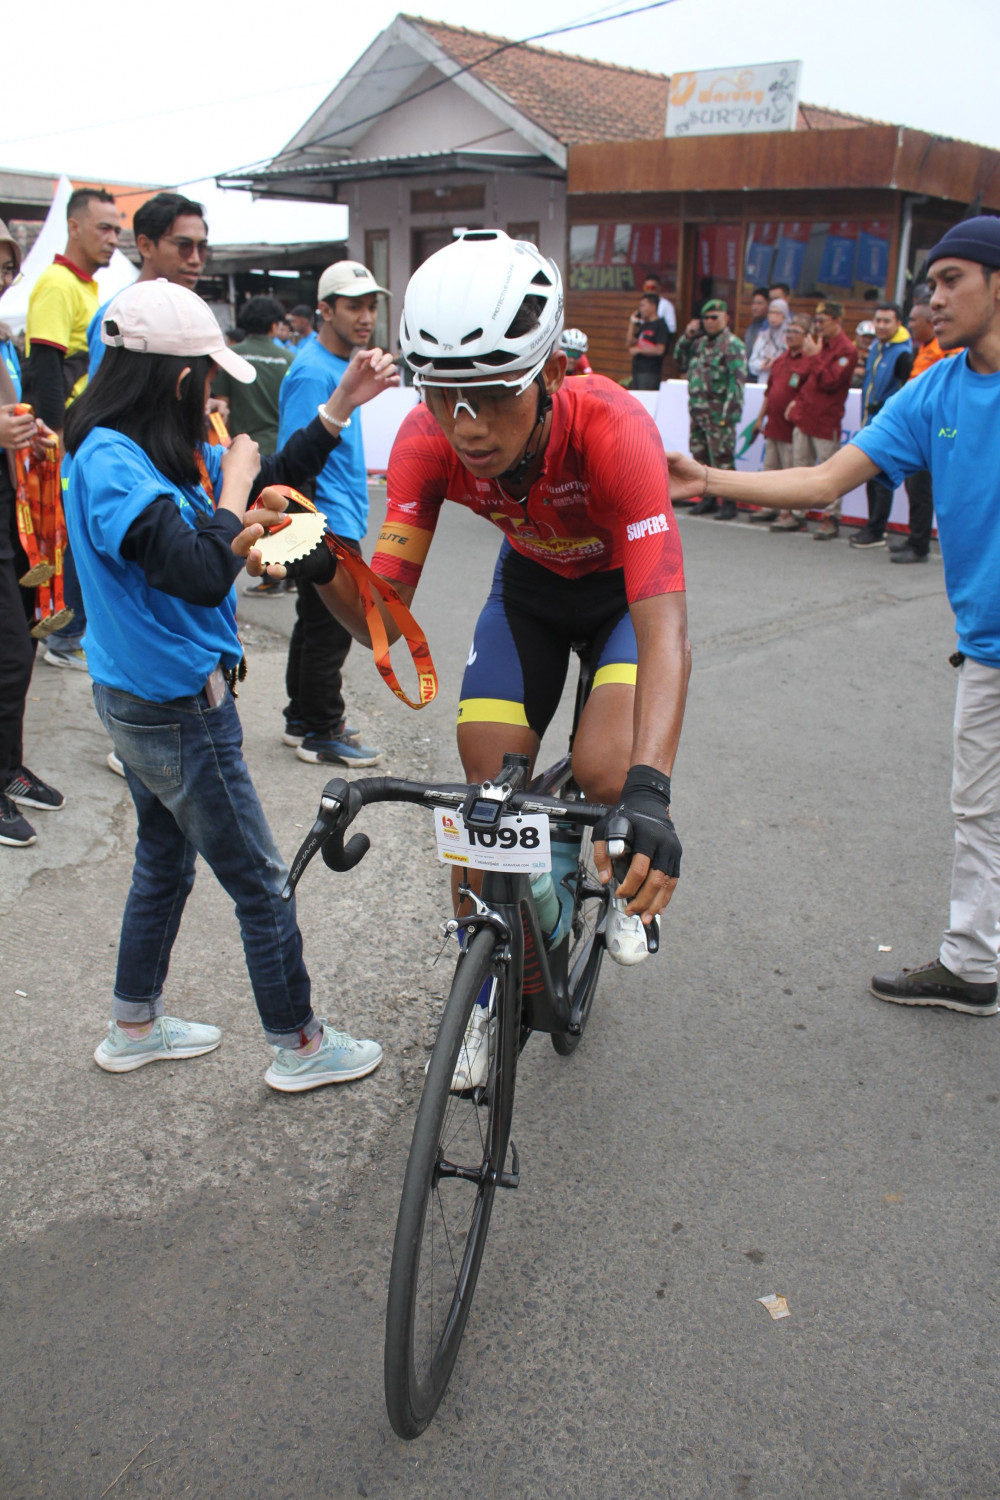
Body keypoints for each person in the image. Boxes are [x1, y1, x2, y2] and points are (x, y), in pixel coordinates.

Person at [239, 229, 689, 1087]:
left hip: (620, 603)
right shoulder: (427, 439)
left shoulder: (614, 428)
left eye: (491, 393)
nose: (467, 426)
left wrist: (652, 793)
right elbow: (383, 613)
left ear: (552, 372)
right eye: (444, 394)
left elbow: (666, 628)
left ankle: (616, 869)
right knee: (484, 800)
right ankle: (483, 993)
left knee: (606, 771)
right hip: (529, 593)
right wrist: (322, 563)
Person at [62, 278, 395, 1088]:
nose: (214, 398)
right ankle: (301, 1045)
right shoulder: (110, 460)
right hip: (175, 707)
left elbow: (269, 471)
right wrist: (236, 491)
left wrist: (335, 412)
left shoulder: (139, 447)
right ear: (181, 380)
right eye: (208, 381)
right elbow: (197, 570)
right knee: (261, 881)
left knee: (163, 862)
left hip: (141, 698)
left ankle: (134, 1025)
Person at [666, 215, 1000, 1018]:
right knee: (979, 814)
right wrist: (706, 476)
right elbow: (822, 482)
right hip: (986, 651)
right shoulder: (934, 390)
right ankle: (972, 965)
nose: (933, 298)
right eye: (930, 283)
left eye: (952, 280)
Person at [275, 260, 390, 766]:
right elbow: (295, 457)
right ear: (325, 309)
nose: (366, 317)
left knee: (314, 620)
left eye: (371, 306)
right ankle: (323, 730)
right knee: (333, 627)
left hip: (336, 513)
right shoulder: (312, 370)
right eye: (353, 306)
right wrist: (306, 533)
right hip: (324, 519)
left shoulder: (340, 364)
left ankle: (302, 719)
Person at [26, 187, 120, 670]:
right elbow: (44, 366)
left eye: (117, 230)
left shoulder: (85, 287)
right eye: (104, 228)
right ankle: (63, 637)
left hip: (83, 434)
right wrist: (57, 437)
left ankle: (69, 634)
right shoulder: (58, 284)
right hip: (65, 439)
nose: (113, 239)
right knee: (67, 541)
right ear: (74, 227)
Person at [0, 220, 66, 847]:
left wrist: (29, 433)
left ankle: (9, 767)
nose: (1, 278)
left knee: (19, 649)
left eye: (5, 266)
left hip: (12, 511)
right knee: (12, 654)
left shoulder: (2, 334)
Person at [87, 192, 209, 377]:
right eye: (184, 246)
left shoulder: (193, 316)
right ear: (146, 246)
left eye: (202, 248)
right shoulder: (118, 317)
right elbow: (104, 394)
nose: (195, 259)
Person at [774, 299, 856, 539]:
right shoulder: (819, 344)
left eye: (822, 321)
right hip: (805, 416)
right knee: (800, 467)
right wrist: (797, 401)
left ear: (838, 321)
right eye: (816, 321)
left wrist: (815, 356)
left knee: (832, 470)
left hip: (825, 420)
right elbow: (807, 379)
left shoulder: (846, 350)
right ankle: (798, 513)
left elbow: (830, 382)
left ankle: (831, 517)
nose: (818, 326)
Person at [890, 293, 960, 565]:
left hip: (934, 431)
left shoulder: (945, 350)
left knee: (921, 490)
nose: (910, 325)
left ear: (929, 322)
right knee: (913, 487)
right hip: (917, 430)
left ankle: (920, 546)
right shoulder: (922, 348)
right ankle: (914, 538)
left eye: (913, 320)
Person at [674, 299, 746, 520]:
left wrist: (729, 415)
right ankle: (708, 498)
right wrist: (687, 336)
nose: (709, 322)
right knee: (700, 457)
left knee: (722, 459)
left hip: (719, 413)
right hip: (698, 411)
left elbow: (736, 382)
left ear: (726, 319)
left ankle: (729, 502)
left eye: (715, 317)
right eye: (706, 318)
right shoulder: (699, 343)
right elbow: (679, 357)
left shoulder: (732, 345)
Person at [851, 302, 913, 549]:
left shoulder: (903, 353)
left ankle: (878, 530)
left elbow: (906, 391)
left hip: (889, 425)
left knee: (882, 477)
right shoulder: (877, 346)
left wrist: (886, 411)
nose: (881, 325)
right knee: (870, 476)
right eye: (878, 320)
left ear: (898, 323)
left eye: (887, 321)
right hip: (870, 422)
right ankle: (872, 525)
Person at [747, 314, 812, 525]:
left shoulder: (808, 361)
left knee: (790, 471)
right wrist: (760, 418)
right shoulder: (781, 359)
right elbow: (769, 392)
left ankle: (789, 511)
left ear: (806, 336)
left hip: (792, 427)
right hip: (773, 425)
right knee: (770, 468)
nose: (790, 335)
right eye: (788, 331)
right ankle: (769, 506)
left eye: (796, 332)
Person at [211, 295, 293, 454]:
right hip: (280, 451)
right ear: (274, 326)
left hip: (240, 452)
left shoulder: (229, 357)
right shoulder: (289, 359)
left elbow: (220, 411)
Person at [627, 292, 669, 390]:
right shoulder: (644, 325)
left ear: (653, 306)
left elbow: (660, 350)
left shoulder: (660, 325)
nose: (640, 309)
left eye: (643, 306)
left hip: (650, 372)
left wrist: (639, 350)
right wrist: (632, 323)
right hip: (637, 370)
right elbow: (630, 342)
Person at [748, 297, 790, 381]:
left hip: (783, 381)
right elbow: (752, 362)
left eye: (777, 313)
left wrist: (775, 363)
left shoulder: (790, 337)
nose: (773, 316)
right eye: (771, 313)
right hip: (764, 380)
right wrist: (762, 365)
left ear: (784, 315)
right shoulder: (763, 336)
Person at [743, 288, 770, 374]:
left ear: (769, 305)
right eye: (753, 303)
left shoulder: (769, 328)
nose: (755, 307)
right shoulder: (752, 326)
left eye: (759, 303)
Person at [642, 276, 677, 340]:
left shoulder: (666, 305)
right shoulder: (643, 304)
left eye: (652, 288)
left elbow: (672, 329)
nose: (649, 290)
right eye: (646, 288)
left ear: (659, 288)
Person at [851, 319, 876, 387]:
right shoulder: (848, 351)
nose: (867, 340)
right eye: (864, 336)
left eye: (871, 337)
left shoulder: (876, 353)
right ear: (856, 335)